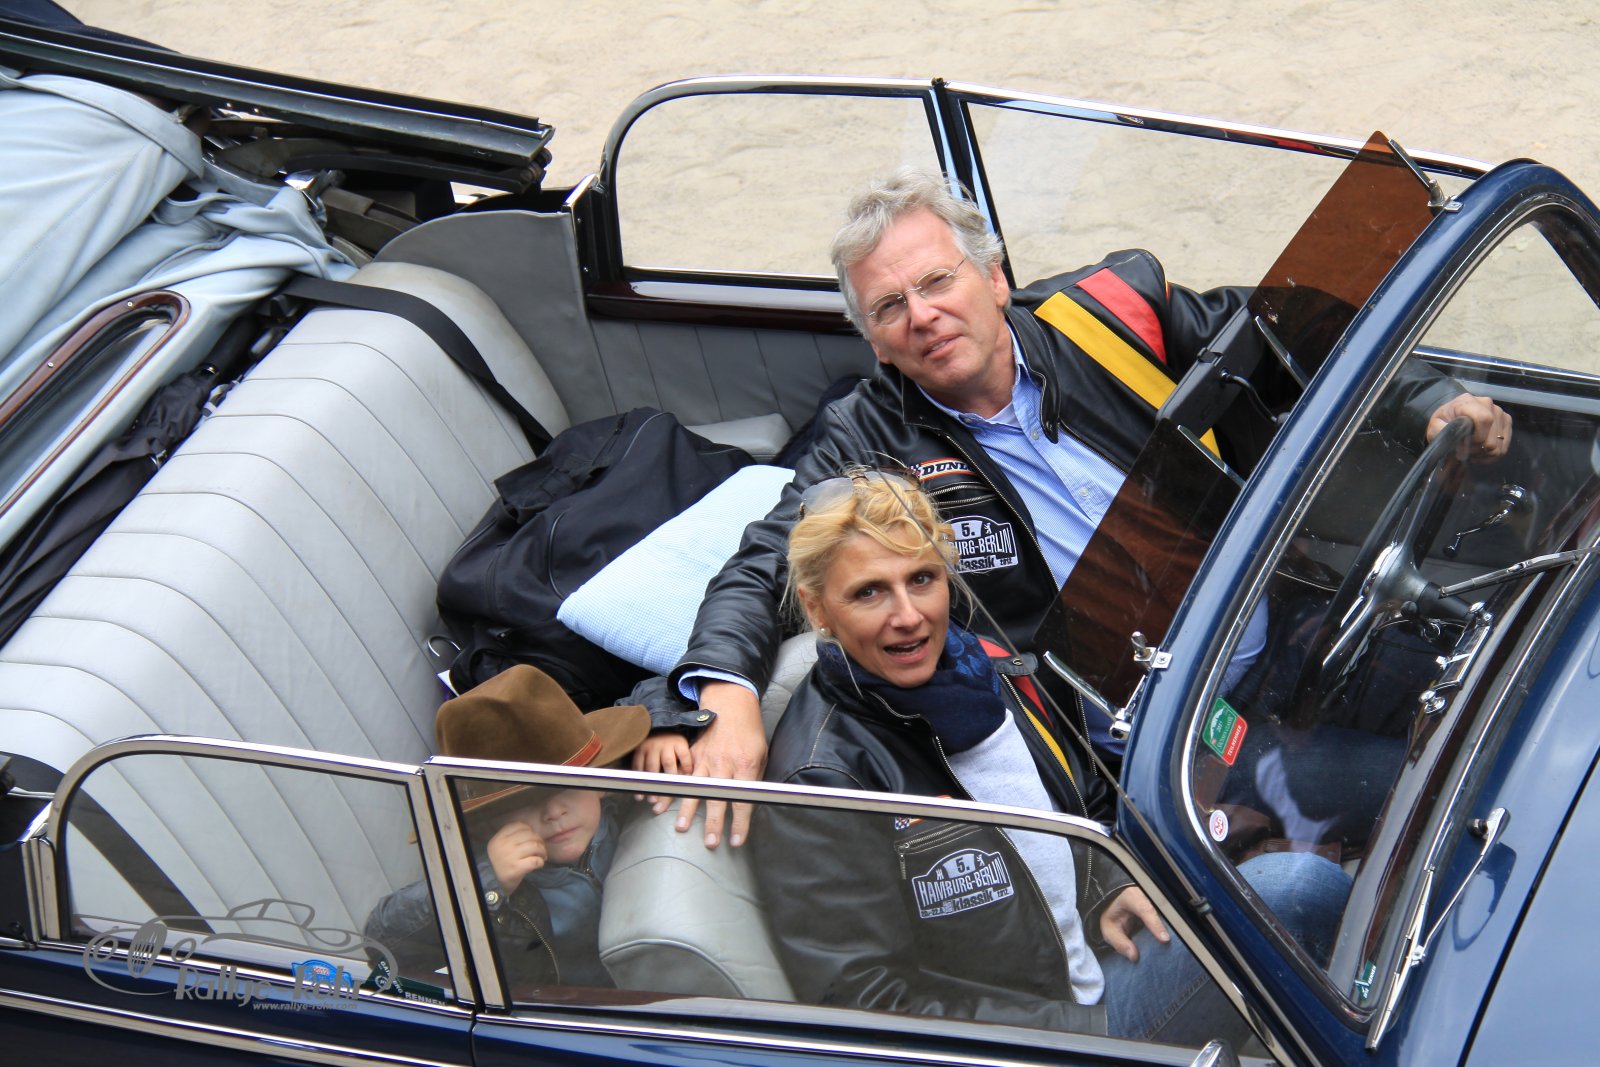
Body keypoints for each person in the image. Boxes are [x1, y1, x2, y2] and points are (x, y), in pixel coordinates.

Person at [638, 167, 1512, 849]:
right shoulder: (866, 441)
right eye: (890, 308)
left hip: (1291, 625)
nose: (923, 316)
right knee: (1441, 798)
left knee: (1501, 703)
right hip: (1166, 735)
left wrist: (1426, 397)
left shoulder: (1112, 308)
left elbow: (1288, 330)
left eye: (938, 281)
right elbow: (764, 562)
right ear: (874, 341)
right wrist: (721, 693)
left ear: (994, 276)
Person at [749, 470, 1349, 1044]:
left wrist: (1110, 883)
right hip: (1063, 1033)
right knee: (1300, 888)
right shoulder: (823, 778)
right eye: (869, 592)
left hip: (1103, 955)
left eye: (923, 579)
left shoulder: (986, 667)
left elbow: (1088, 798)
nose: (908, 616)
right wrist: (1084, 1033)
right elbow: (864, 999)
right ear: (818, 609)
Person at [366, 664, 649, 989]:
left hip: (673, 991)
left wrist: (668, 733)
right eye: (523, 801)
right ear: (485, 820)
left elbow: (659, 691)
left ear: (600, 780)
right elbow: (383, 940)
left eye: (568, 785)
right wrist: (485, 879)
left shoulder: (626, 801)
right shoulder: (489, 871)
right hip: (567, 1010)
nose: (554, 811)